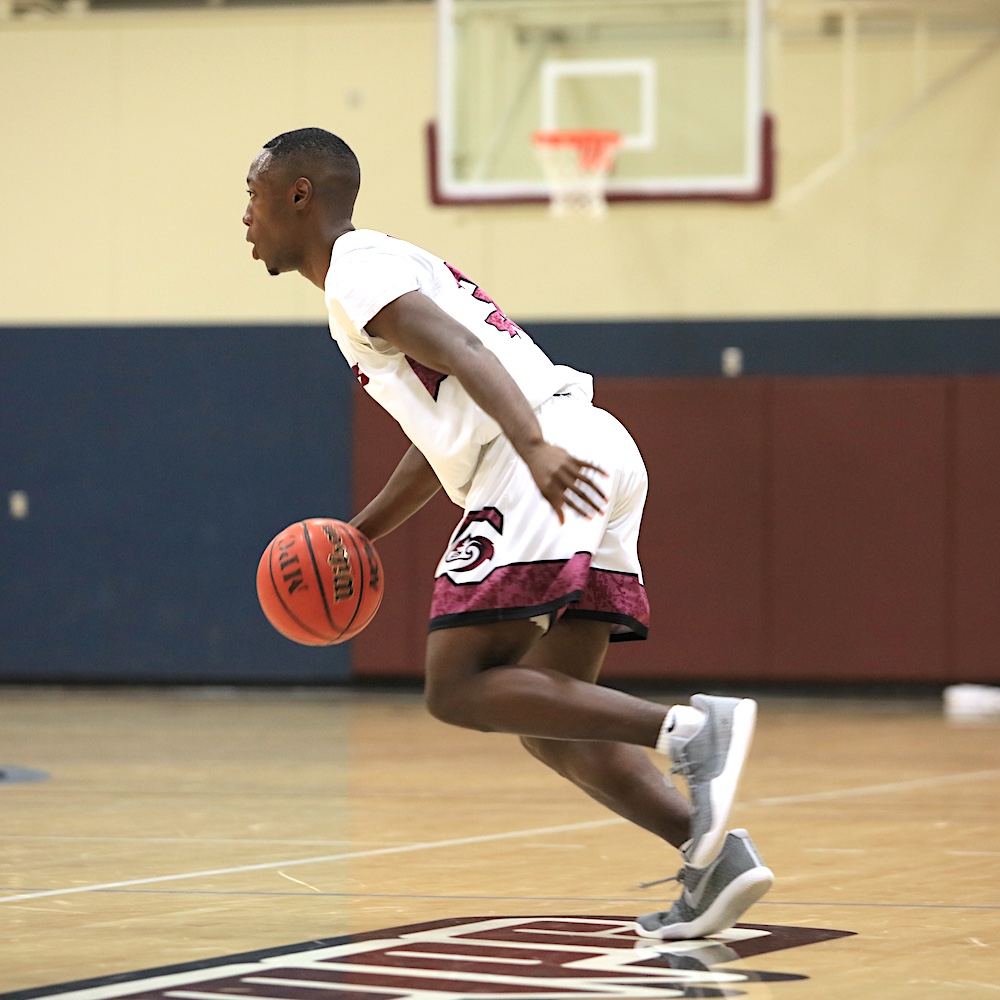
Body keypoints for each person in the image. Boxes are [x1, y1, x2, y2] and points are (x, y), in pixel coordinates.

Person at [243, 127, 773, 939]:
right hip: (587, 445)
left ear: (300, 195)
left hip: (540, 453)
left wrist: (531, 448)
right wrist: (359, 535)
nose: (245, 218)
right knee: (550, 723)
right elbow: (437, 440)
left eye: (253, 196)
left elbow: (459, 348)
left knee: (455, 687)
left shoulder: (356, 270)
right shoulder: (380, 267)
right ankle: (712, 860)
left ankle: (691, 730)